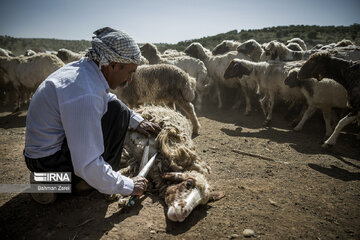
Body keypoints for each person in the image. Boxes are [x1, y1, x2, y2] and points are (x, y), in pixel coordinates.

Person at [24, 27, 161, 204]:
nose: (129, 79)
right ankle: (47, 183)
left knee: (118, 110)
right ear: (112, 65)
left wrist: (136, 120)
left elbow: (106, 97)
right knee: (88, 171)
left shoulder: (84, 70)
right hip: (48, 161)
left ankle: (85, 180)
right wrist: (128, 185)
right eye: (129, 72)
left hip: (46, 151)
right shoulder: (84, 95)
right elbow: (87, 163)